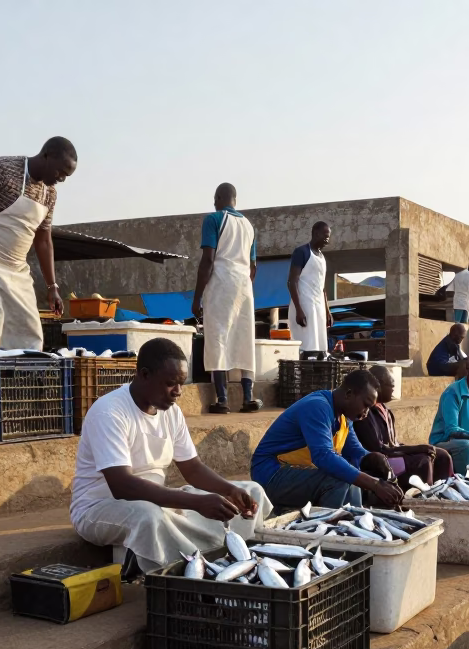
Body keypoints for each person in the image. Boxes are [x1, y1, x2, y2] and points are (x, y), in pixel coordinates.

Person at [70, 338, 271, 580]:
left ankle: (232, 563)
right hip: (100, 508)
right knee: (149, 516)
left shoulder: (171, 412)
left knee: (251, 489)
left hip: (155, 498)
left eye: (181, 384)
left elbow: (193, 468)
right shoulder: (109, 412)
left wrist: (228, 490)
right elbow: (122, 485)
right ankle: (185, 573)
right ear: (144, 375)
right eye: (170, 384)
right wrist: (196, 503)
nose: (178, 392)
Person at [0, 137, 76, 350]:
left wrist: (52, 287)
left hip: (16, 268)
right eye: (60, 172)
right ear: (46, 155)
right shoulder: (1, 170)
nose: (62, 179)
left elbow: (44, 240)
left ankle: (21, 382)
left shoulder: (50, 194)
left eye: (67, 175)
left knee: (28, 329)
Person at [251, 369, 403, 509]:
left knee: (356, 473)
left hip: (298, 472)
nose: (366, 413)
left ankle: (353, 518)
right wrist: (375, 484)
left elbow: (355, 451)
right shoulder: (317, 407)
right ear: (349, 394)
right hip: (271, 476)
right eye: (365, 405)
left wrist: (373, 459)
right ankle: (329, 527)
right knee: (339, 479)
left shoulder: (344, 416)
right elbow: (323, 456)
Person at [192, 183, 260, 415]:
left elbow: (208, 260)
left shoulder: (213, 219)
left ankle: (222, 399)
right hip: (244, 286)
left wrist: (196, 297)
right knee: (244, 337)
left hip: (222, 282)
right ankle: (248, 397)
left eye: (214, 198)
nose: (213, 202)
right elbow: (253, 268)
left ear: (220, 197)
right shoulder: (249, 226)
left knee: (217, 336)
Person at [353, 365, 454, 489]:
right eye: (391, 386)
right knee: (422, 460)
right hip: (380, 460)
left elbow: (394, 444)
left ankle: (442, 489)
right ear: (378, 385)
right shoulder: (366, 413)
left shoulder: (386, 411)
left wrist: (418, 448)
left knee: (442, 455)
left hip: (392, 453)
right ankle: (421, 496)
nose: (393, 390)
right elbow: (379, 450)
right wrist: (416, 449)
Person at [286, 222, 333, 354]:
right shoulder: (301, 252)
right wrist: (298, 310)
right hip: (305, 307)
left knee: (320, 349)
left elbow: (322, 287)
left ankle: (317, 374)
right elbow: (291, 282)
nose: (327, 240)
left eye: (328, 237)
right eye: (325, 236)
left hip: (319, 308)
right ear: (316, 233)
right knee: (306, 349)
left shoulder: (322, 257)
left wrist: (327, 311)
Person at [449, 259, 469, 324]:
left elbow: (452, 288)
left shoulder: (458, 274)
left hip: (457, 302)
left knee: (457, 322)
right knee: (464, 324)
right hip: (465, 303)